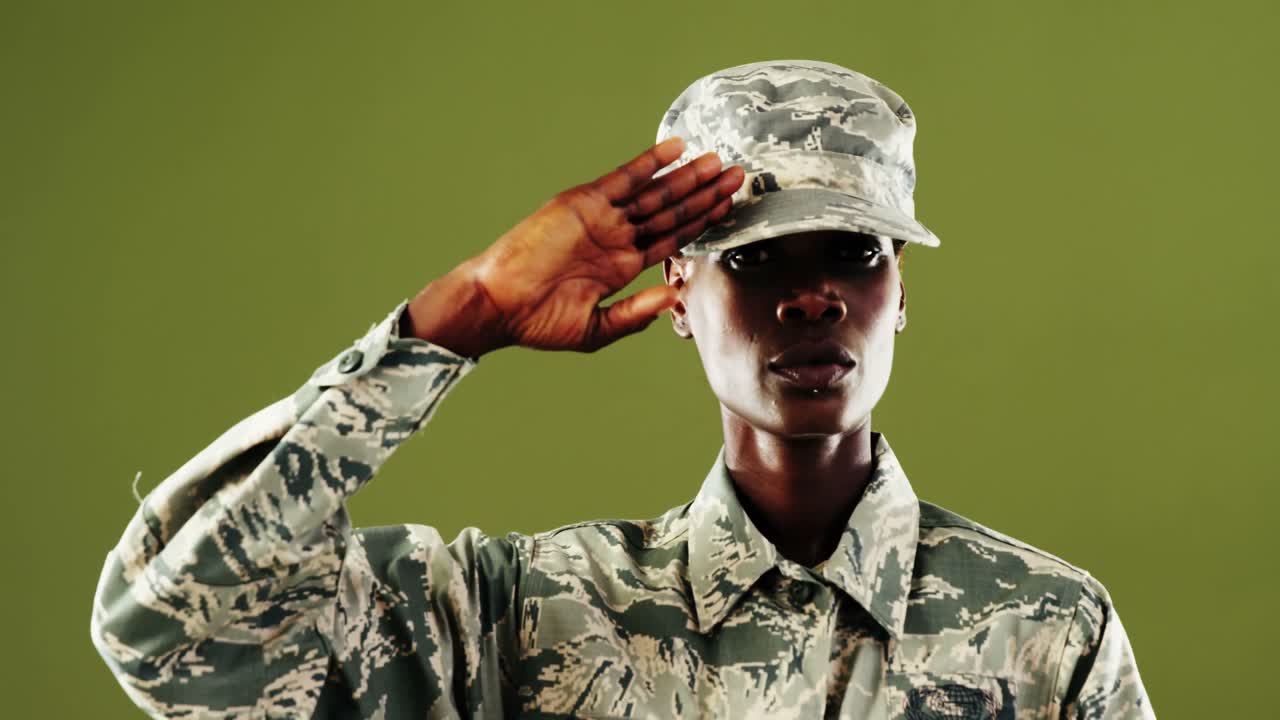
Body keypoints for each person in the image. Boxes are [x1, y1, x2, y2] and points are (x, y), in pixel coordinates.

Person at [90, 60, 1153, 719]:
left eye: (855, 253)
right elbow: (174, 632)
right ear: (677, 289)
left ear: (899, 289)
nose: (812, 297)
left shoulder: (1045, 627)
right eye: (755, 259)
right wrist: (454, 320)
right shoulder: (524, 618)